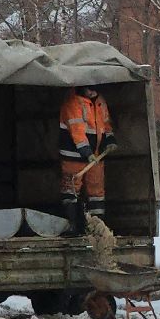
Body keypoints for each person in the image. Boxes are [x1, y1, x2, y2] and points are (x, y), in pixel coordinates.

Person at [59, 85, 115, 232]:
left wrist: (110, 140)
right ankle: (72, 226)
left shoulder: (100, 101)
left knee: (97, 193)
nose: (92, 92)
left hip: (95, 156)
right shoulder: (73, 102)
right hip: (74, 156)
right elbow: (76, 131)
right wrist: (86, 152)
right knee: (71, 189)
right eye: (89, 89)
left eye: (95, 89)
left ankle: (98, 229)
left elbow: (106, 124)